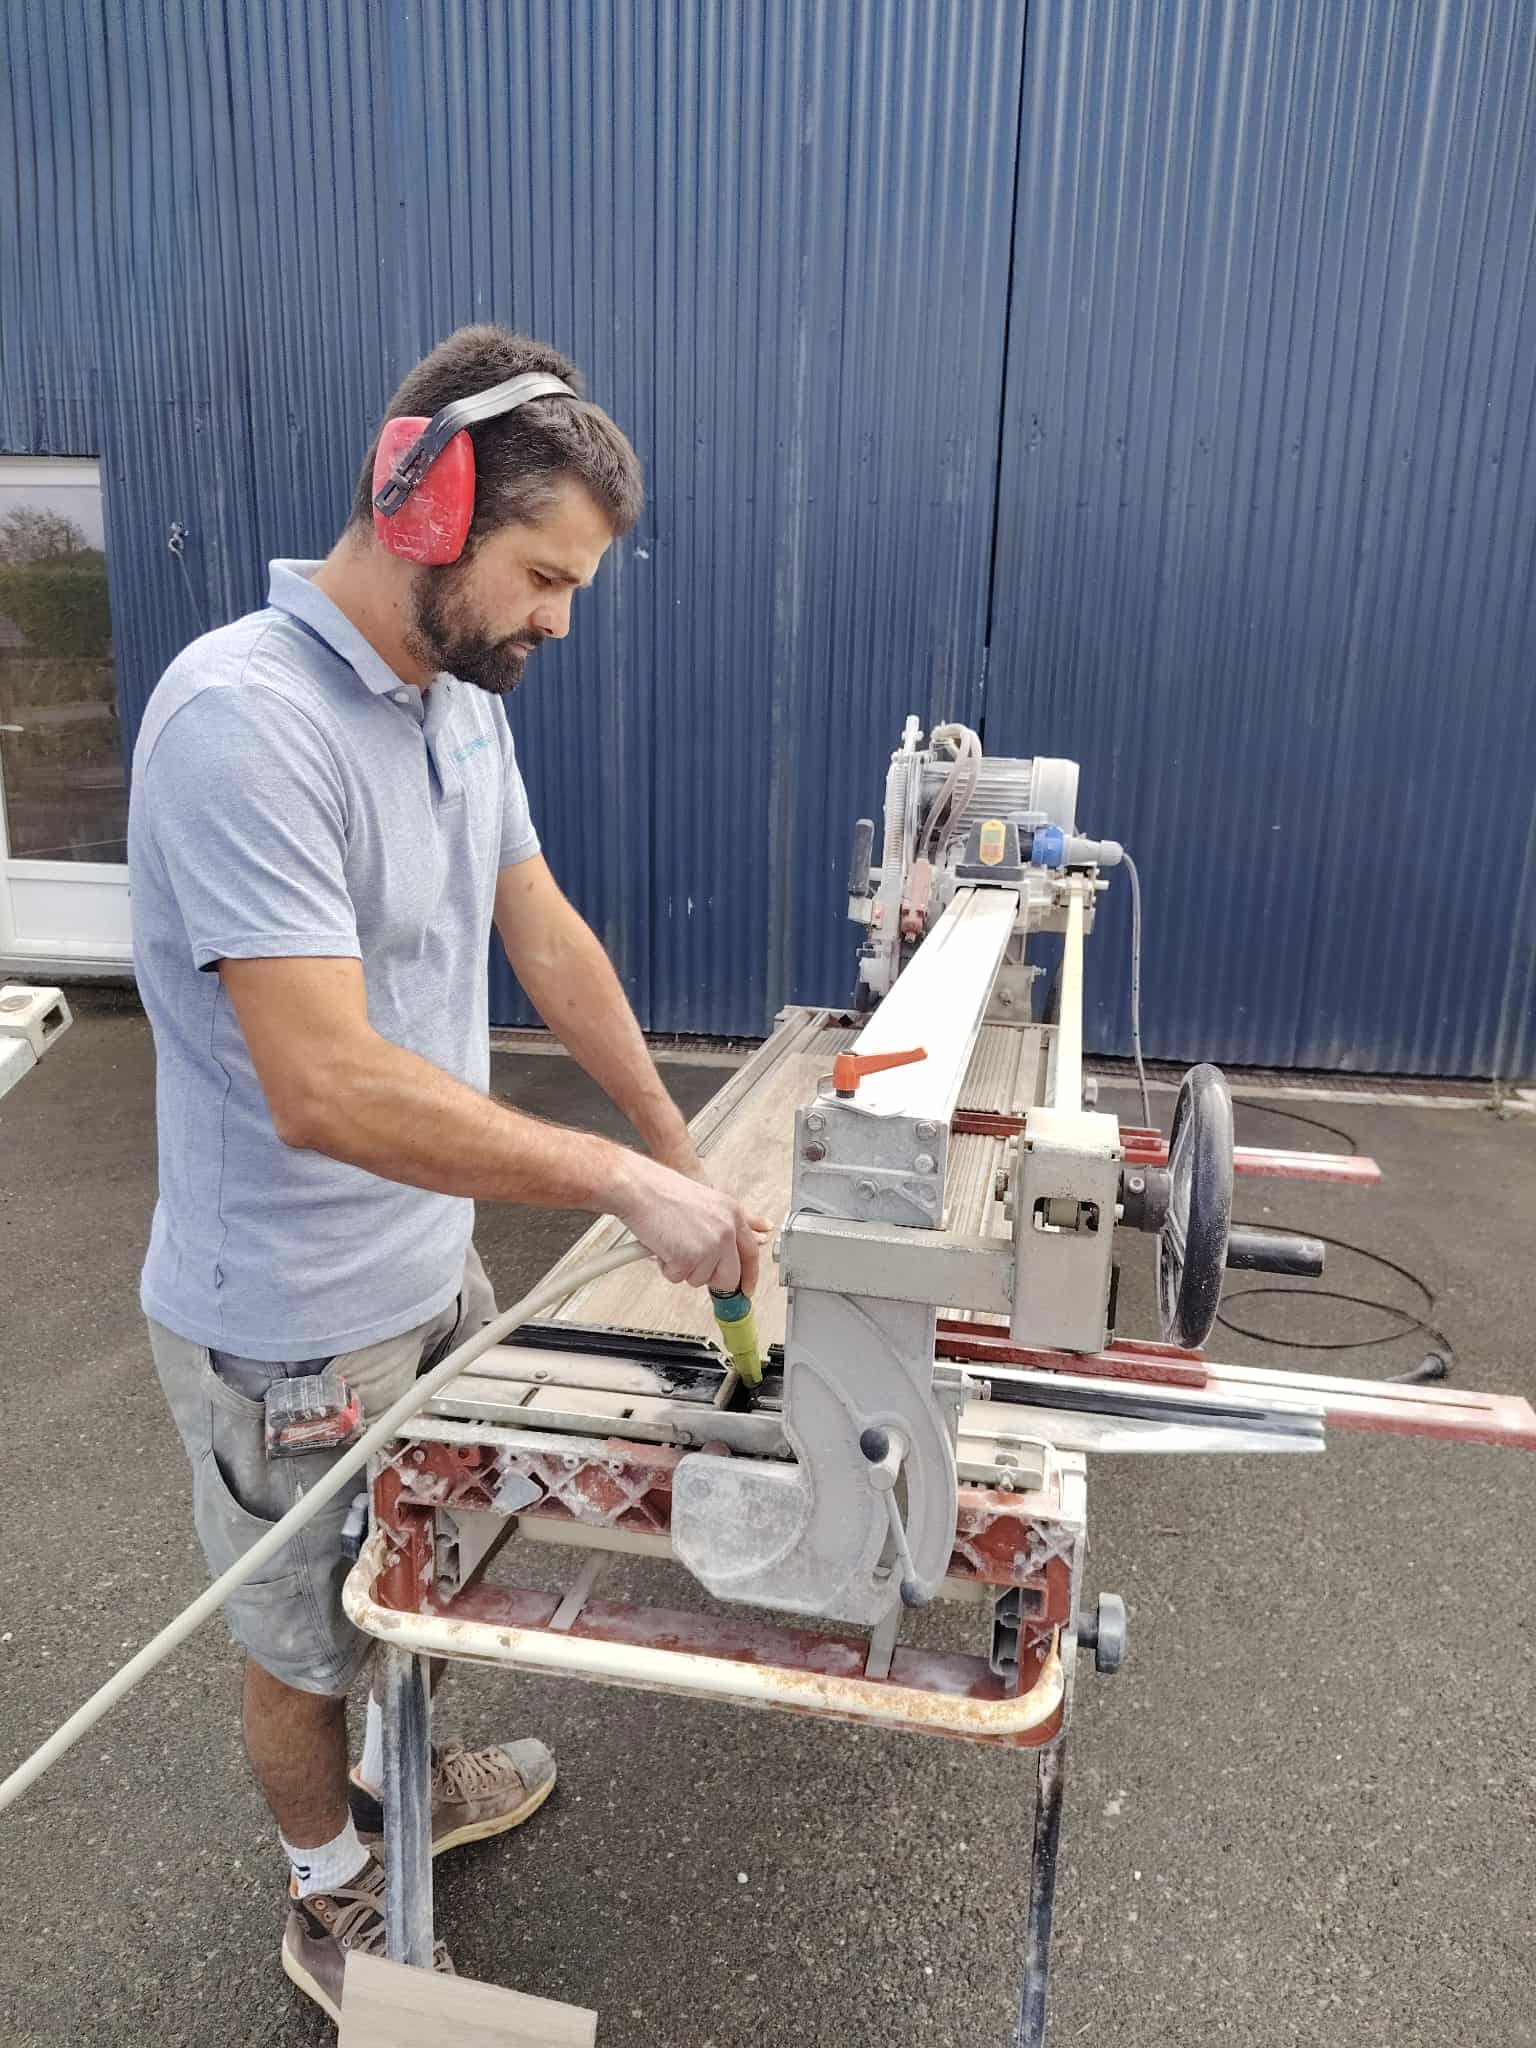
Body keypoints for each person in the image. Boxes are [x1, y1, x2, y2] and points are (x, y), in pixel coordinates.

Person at [127, 325, 764, 2021]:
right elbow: (323, 1085)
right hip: (287, 1321)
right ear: (423, 503)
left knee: (423, 1562)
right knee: (302, 1638)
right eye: (544, 573)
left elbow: (538, 928)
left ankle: (405, 1781)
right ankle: (329, 1890)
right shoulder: (242, 722)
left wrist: (686, 1154)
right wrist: (615, 1190)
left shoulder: (454, 703)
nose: (561, 619)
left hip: (428, 1266)